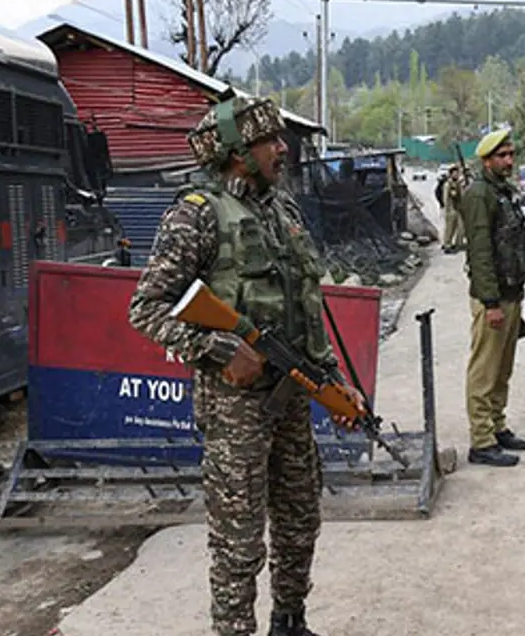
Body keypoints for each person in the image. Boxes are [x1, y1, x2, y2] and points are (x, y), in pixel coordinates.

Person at [127, 95, 361, 636]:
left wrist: (333, 384)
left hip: (293, 396)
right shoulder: (196, 215)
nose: (282, 149)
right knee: (238, 541)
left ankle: (289, 621)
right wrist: (217, 349)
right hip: (235, 410)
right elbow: (146, 307)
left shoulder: (284, 211)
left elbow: (308, 307)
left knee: (301, 519)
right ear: (237, 152)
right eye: (269, 141)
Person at [458, 127, 525, 467]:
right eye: (502, 156)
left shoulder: (504, 192)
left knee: (503, 369)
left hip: (512, 294)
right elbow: (480, 252)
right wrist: (490, 303)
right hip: (494, 298)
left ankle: (498, 426)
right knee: (484, 371)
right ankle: (482, 440)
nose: (509, 160)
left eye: (511, 154)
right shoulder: (479, 195)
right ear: (486, 160)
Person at [441, 164, 466, 253]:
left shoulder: (458, 183)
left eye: (457, 173)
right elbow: (446, 198)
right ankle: (447, 244)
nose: (456, 175)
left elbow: (462, 195)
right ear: (451, 174)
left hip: (458, 209)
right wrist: (447, 209)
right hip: (451, 209)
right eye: (455, 173)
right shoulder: (448, 184)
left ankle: (458, 244)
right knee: (450, 229)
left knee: (461, 228)